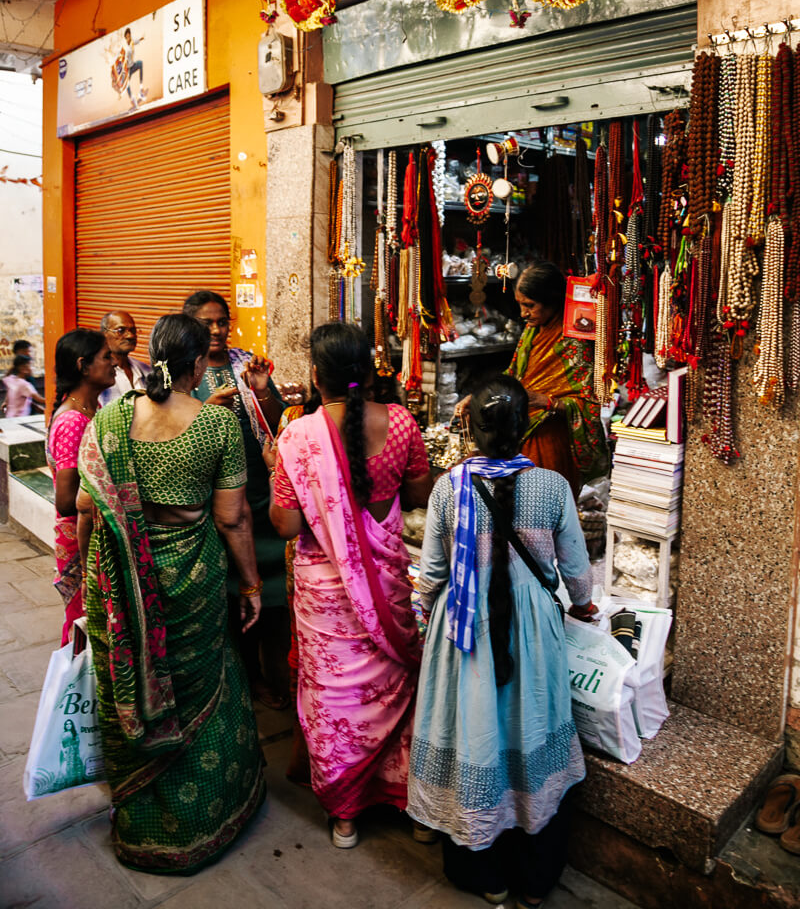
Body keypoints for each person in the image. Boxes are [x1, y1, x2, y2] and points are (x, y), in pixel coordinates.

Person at [75, 313, 265, 874]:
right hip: (191, 577)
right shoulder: (216, 425)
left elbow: (88, 509)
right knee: (199, 681)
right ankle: (207, 815)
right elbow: (233, 520)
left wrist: (90, 584)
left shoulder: (107, 421)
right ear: (200, 363)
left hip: (118, 577)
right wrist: (251, 583)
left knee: (129, 685)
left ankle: (141, 823)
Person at [408, 375, 597, 907]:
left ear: (472, 428)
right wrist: (582, 606)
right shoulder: (553, 487)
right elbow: (578, 575)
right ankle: (535, 884)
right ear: (523, 427)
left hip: (465, 629)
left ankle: (486, 877)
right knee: (530, 726)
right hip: (532, 627)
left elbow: (432, 573)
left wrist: (425, 613)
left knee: (476, 733)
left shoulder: (450, 488)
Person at [270, 322, 432, 848]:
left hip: (325, 597)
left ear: (316, 376)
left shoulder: (297, 436)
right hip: (386, 585)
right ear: (368, 370)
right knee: (394, 692)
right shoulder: (403, 424)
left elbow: (287, 527)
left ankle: (345, 815)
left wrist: (280, 472)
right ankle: (406, 797)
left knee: (336, 700)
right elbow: (416, 495)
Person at [183, 290, 289, 709]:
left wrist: (262, 391)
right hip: (219, 500)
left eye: (222, 321)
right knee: (232, 595)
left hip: (263, 494)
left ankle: (273, 671)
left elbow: (277, 418)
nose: (216, 329)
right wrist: (206, 408)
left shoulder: (245, 363)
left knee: (275, 594)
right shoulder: (186, 371)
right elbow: (176, 424)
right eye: (207, 323)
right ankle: (244, 676)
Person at [457, 262, 607, 498]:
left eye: (530, 305)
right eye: (520, 305)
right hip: (519, 433)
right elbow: (514, 376)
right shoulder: (531, 331)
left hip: (551, 440)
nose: (523, 313)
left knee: (544, 508)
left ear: (553, 301)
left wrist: (545, 401)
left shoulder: (575, 342)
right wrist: (478, 398)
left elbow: (590, 403)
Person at [47, 329, 116, 644]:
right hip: (81, 541)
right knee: (83, 624)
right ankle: (73, 690)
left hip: (94, 536)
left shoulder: (91, 411)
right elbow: (65, 501)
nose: (114, 363)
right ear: (83, 366)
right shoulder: (74, 421)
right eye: (106, 357)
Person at [98, 310, 151, 406]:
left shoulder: (145, 370)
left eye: (133, 330)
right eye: (120, 331)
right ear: (104, 334)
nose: (130, 336)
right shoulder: (97, 375)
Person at [123, 27, 147, 108]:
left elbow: (136, 41)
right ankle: (132, 99)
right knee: (127, 84)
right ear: (125, 38)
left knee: (140, 63)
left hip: (133, 65)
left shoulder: (132, 42)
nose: (128, 38)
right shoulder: (126, 49)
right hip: (128, 69)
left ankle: (141, 88)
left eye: (129, 36)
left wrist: (141, 38)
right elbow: (124, 60)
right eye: (127, 37)